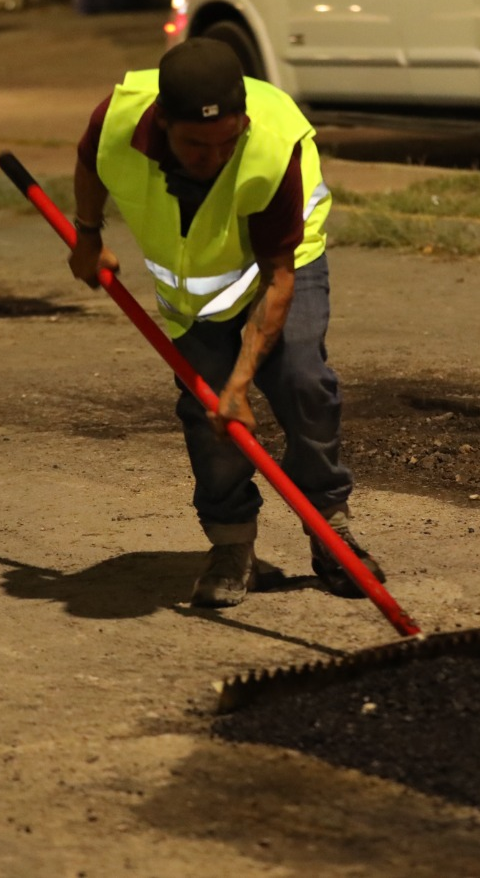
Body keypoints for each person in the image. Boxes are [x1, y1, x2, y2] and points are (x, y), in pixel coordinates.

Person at [69, 37, 385, 608]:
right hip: (194, 287)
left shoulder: (270, 146)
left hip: (282, 263)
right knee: (206, 408)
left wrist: (241, 384)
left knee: (302, 382)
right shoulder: (117, 121)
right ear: (162, 123)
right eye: (195, 144)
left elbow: (278, 277)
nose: (212, 157)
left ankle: (330, 530)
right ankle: (232, 545)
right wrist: (87, 235)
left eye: (226, 142)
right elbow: (91, 160)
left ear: (243, 122)